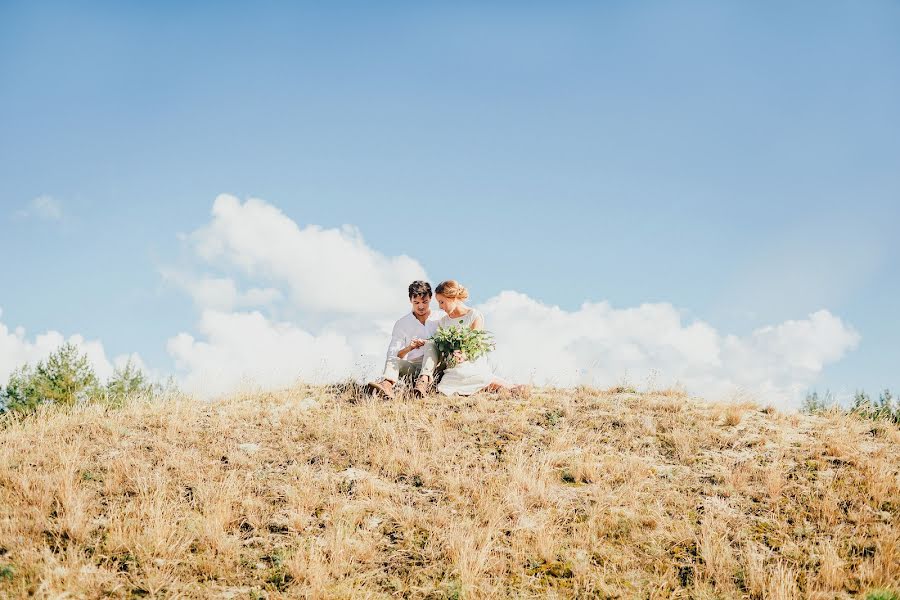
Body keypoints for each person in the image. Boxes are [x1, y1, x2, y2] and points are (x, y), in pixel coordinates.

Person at [414, 280, 529, 397]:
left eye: (442, 302)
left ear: (452, 297)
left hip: (471, 359)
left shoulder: (474, 315)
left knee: (471, 374)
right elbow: (439, 344)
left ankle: (511, 388)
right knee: (447, 385)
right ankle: (499, 388)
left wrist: (464, 355)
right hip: (453, 363)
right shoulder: (444, 321)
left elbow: (475, 343)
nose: (440, 307)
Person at [367, 281, 441, 400]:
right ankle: (386, 386)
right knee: (393, 359)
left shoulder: (441, 318)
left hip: (436, 367)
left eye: (425, 302)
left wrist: (429, 342)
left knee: (431, 344)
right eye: (416, 302)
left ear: (430, 298)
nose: (421, 306)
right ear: (410, 300)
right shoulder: (402, 323)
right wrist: (410, 347)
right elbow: (394, 354)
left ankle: (424, 382)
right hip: (414, 367)